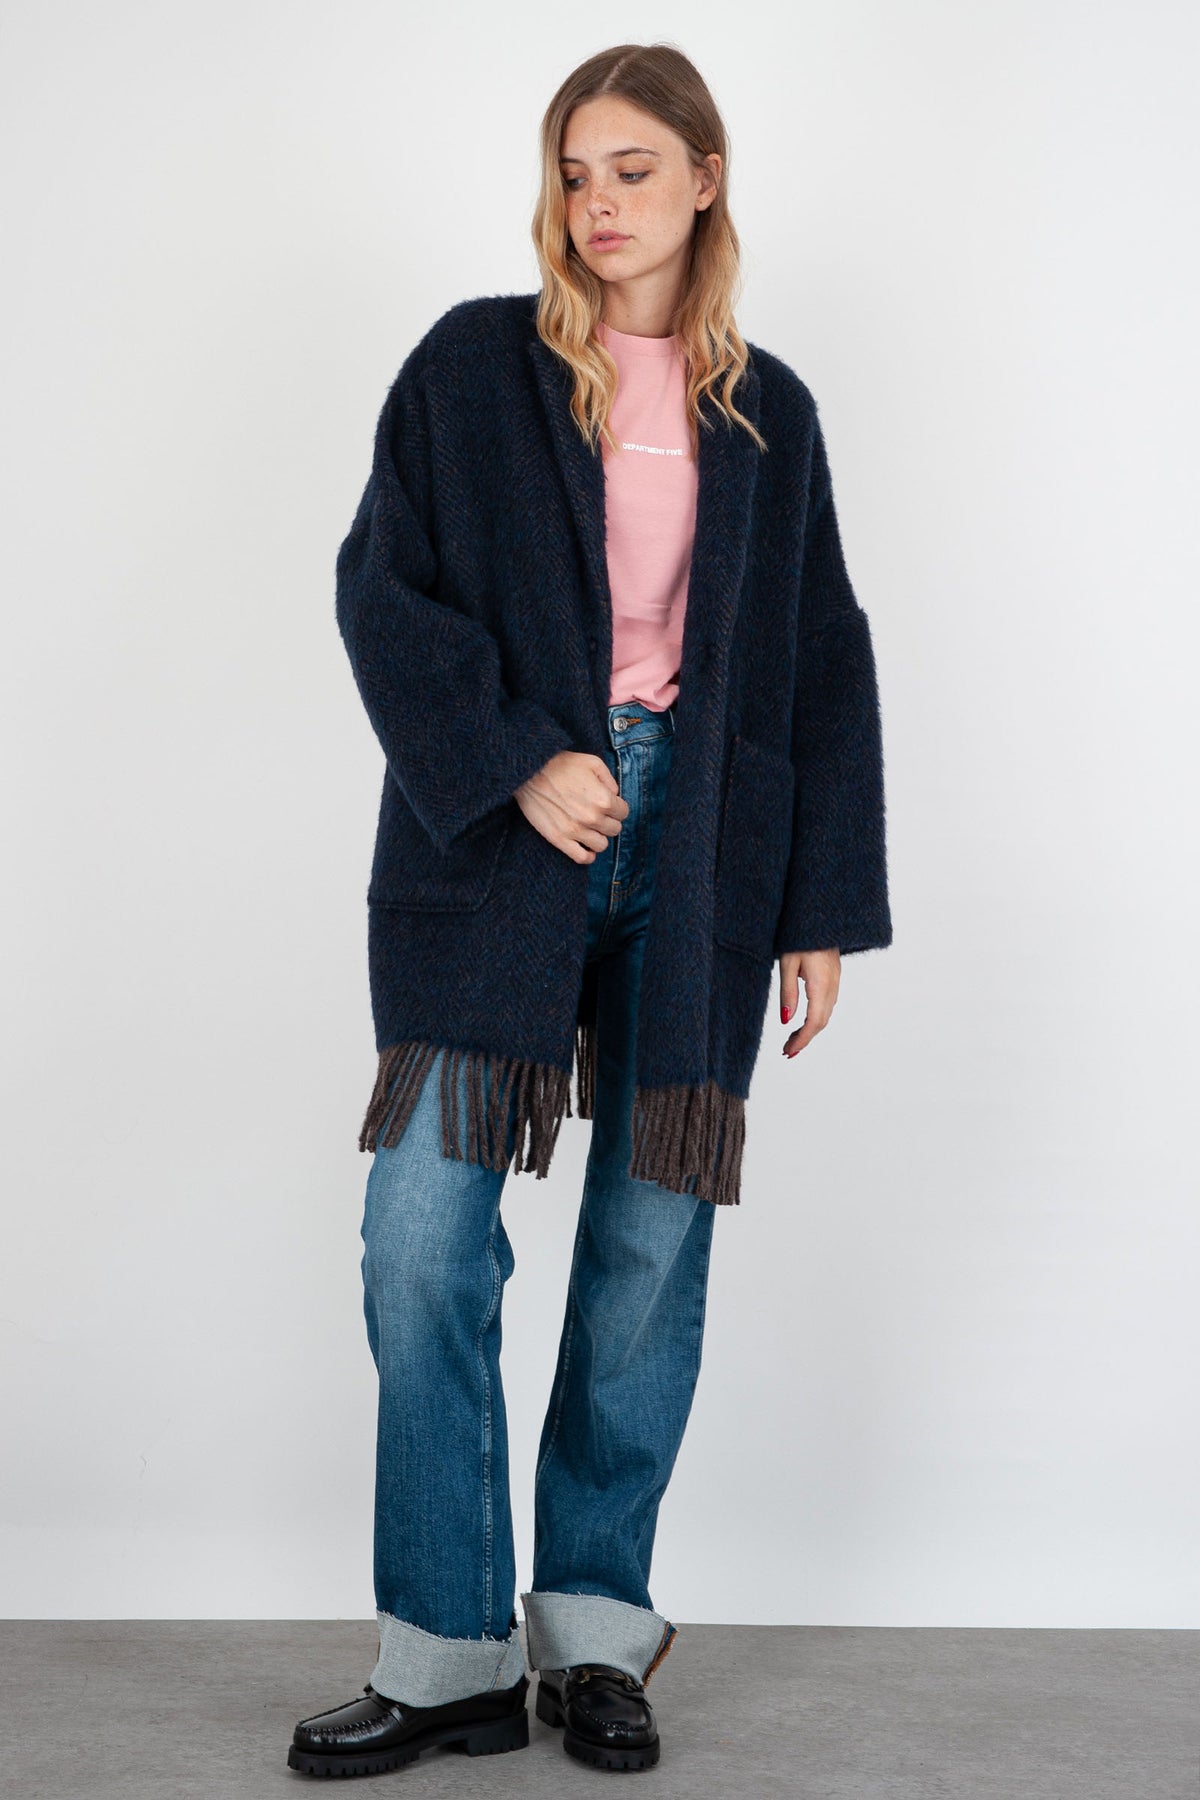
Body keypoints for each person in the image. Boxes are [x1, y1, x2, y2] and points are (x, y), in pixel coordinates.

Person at [287, 39, 892, 1780]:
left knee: (644, 1257)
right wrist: (513, 758)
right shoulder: (474, 367)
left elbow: (821, 657)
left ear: (705, 178)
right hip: (506, 842)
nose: (599, 203)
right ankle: (447, 1654)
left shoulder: (768, 410)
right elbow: (381, 587)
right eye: (574, 171)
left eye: (633, 168)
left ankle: (597, 1635)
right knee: (421, 1241)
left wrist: (819, 905)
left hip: (702, 856)